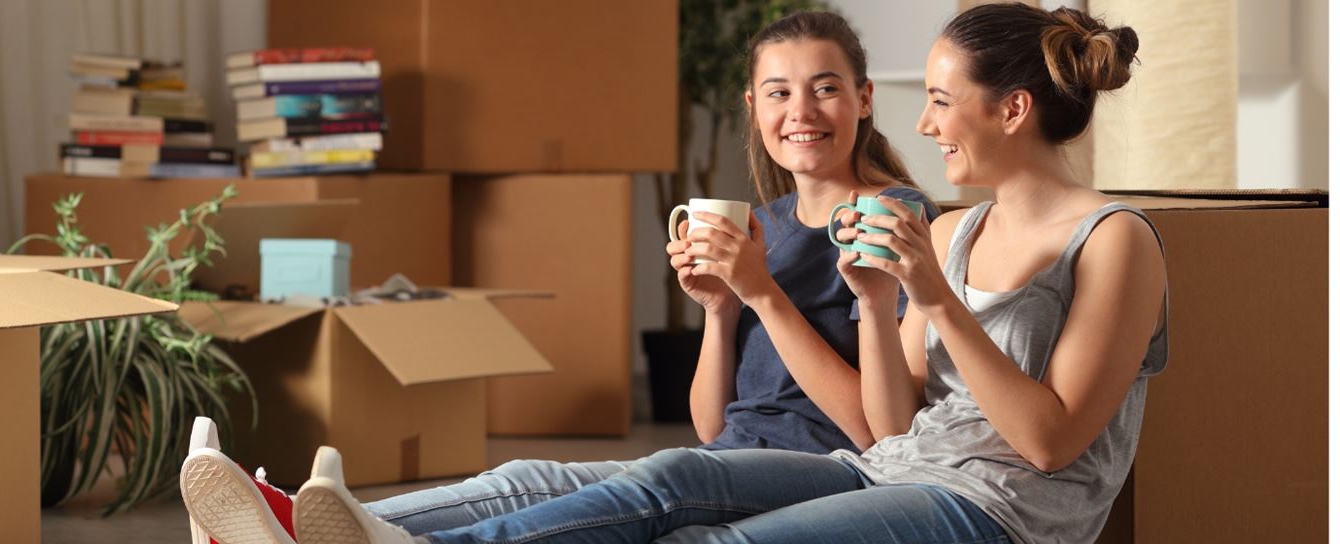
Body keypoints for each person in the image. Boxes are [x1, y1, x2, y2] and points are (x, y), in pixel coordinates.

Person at [280, 3, 1167, 543]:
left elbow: (1051, 442)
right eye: (928, 100)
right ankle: (341, 530)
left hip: (1002, 514)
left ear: (1012, 110)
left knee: (695, 529)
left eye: (941, 99)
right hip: (898, 471)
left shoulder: (1114, 239)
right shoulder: (965, 231)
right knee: (670, 482)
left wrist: (926, 297)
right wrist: (870, 304)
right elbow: (894, 431)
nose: (928, 122)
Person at [179, 10, 940, 544]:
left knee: (653, 475)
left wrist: (760, 295)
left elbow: (880, 434)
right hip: (728, 455)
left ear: (865, 99)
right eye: (778, 91)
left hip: (824, 469)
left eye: (826, 87)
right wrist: (716, 310)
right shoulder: (764, 225)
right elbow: (716, 424)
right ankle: (290, 519)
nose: (801, 110)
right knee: (532, 473)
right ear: (753, 105)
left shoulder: (892, 215)